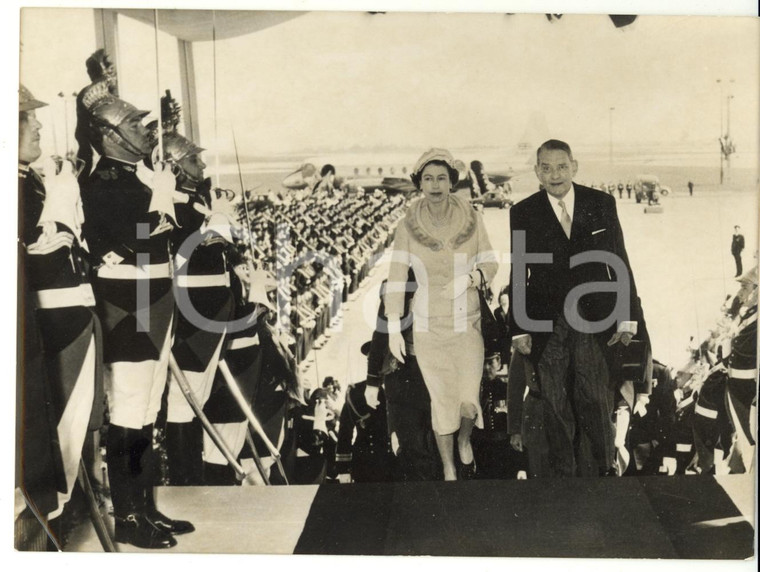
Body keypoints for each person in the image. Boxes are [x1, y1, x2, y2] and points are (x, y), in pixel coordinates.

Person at [78, 83, 191, 548]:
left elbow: (176, 231)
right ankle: (127, 515)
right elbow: (135, 240)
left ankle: (145, 506)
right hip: (127, 303)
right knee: (128, 408)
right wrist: (158, 199)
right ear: (107, 135)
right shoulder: (103, 183)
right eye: (134, 125)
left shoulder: (139, 179)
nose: (145, 132)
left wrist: (160, 191)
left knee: (147, 407)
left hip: (155, 298)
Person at [508, 139, 648, 477]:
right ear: (536, 171)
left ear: (574, 166)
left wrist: (628, 317)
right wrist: (519, 328)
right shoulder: (523, 212)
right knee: (554, 404)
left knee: (596, 400)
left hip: (595, 319)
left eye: (561, 166)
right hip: (548, 324)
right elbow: (518, 270)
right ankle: (565, 484)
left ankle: (604, 472)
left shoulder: (601, 203)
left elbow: (620, 262)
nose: (554, 175)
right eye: (546, 168)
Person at [18, 85, 104, 549]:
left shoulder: (29, 181)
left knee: (70, 435)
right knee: (55, 438)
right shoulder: (17, 188)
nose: (38, 125)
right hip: (47, 325)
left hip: (69, 318)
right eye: (25, 120)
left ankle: (60, 526)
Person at [385, 148, 498, 480]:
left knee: (468, 398)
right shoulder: (407, 225)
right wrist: (393, 326)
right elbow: (396, 274)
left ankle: (465, 437)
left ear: (452, 182)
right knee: (441, 399)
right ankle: (449, 468)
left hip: (467, 320)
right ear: (419, 183)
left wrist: (472, 277)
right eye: (428, 178)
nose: (435, 185)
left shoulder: (473, 218)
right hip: (427, 323)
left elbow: (490, 262)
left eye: (442, 178)